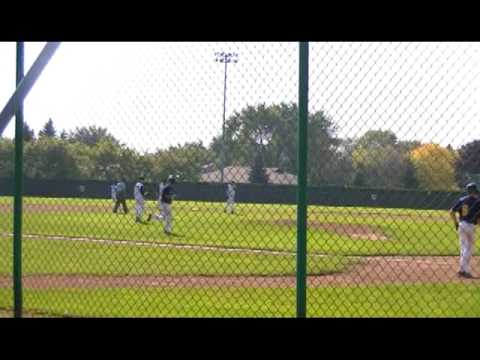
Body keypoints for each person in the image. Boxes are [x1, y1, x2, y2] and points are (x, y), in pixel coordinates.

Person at [450, 182, 480, 278]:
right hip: (470, 226)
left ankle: (462, 270)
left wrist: (455, 223)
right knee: (469, 248)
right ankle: (465, 270)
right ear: (475, 191)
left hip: (461, 224)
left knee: (463, 247)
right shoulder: (478, 201)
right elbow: (479, 218)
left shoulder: (462, 200)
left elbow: (451, 212)